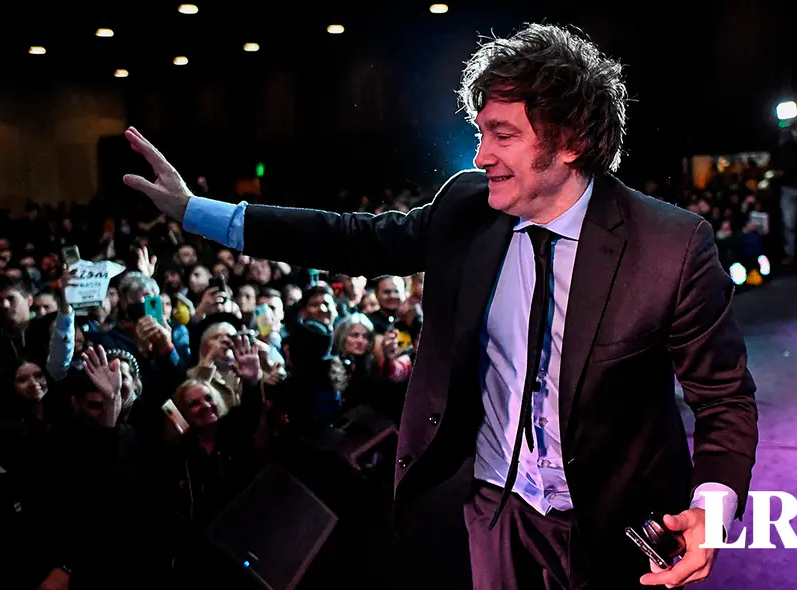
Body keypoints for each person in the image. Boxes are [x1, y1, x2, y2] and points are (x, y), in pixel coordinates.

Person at [121, 23, 758, 590]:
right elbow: (353, 237)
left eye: (501, 135)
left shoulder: (670, 247)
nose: (481, 156)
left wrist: (714, 504)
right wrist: (196, 213)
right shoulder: (465, 208)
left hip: (618, 521)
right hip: (495, 508)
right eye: (481, 133)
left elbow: (724, 398)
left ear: (570, 141)